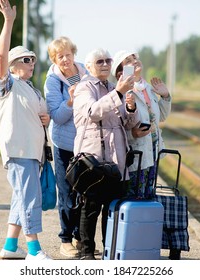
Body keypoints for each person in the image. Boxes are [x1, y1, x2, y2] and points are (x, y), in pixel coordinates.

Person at [0, 0, 51, 260]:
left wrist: (45, 119)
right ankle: (34, 251)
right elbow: (0, 56)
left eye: (33, 59)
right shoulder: (8, 85)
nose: (32, 63)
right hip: (19, 150)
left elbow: (38, 116)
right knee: (29, 200)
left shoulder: (31, 88)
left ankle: (10, 246)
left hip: (32, 153)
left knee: (21, 198)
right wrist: (9, 21)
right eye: (26, 59)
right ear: (13, 65)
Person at [72, 48, 139, 259]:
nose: (105, 64)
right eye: (99, 61)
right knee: (90, 207)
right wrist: (118, 94)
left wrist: (130, 108)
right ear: (89, 67)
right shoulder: (85, 88)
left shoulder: (114, 87)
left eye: (108, 60)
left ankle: (109, 250)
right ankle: (87, 252)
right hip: (93, 158)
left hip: (116, 157)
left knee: (112, 208)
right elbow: (93, 112)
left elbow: (129, 124)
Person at [44, 36, 88, 258]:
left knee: (85, 192)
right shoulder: (53, 81)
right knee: (67, 193)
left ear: (74, 54)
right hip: (63, 145)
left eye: (68, 54)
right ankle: (65, 239)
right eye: (59, 56)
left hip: (86, 144)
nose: (65, 59)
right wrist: (71, 101)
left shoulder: (85, 74)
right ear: (54, 58)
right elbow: (58, 117)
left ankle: (82, 238)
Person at [111, 50, 171, 198]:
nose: (135, 61)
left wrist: (165, 96)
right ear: (120, 73)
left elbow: (160, 117)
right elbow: (116, 125)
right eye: (128, 61)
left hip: (153, 153)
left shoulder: (148, 89)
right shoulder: (121, 93)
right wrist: (132, 134)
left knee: (148, 198)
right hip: (135, 155)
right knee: (134, 199)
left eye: (135, 58)